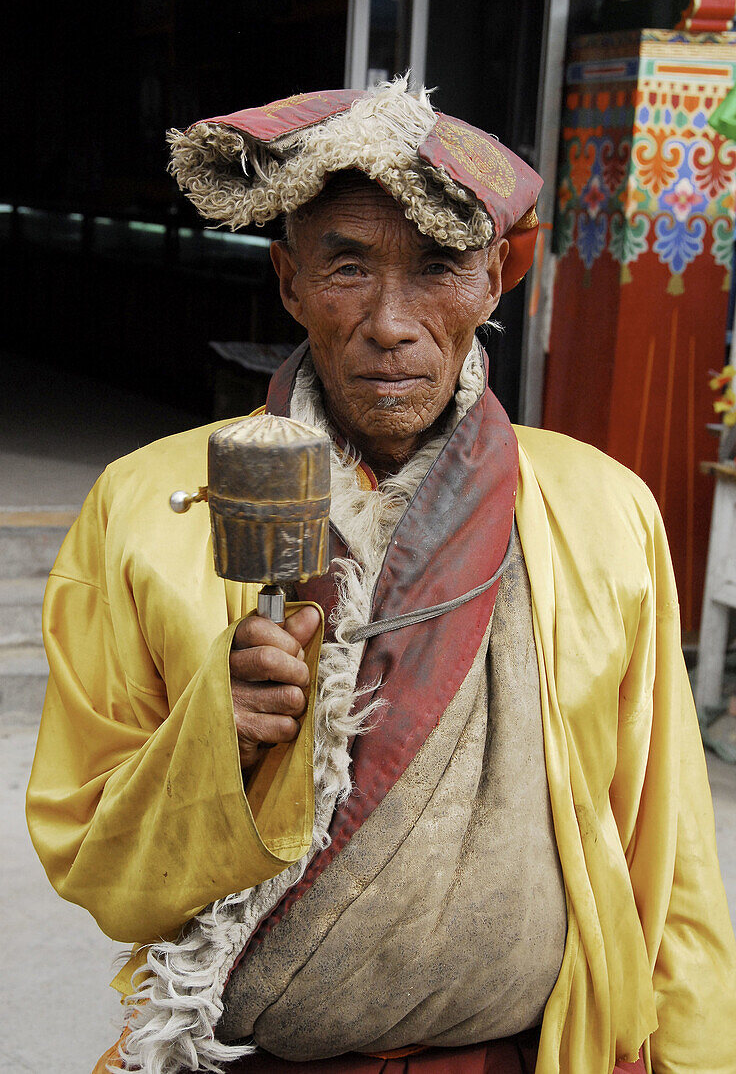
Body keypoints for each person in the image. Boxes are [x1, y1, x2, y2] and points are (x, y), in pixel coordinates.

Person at [27, 79, 736, 1074]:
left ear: (492, 282)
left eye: (438, 266)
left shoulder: (601, 507)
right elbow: (92, 857)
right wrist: (213, 732)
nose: (391, 322)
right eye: (348, 266)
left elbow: (673, 857)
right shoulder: (148, 504)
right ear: (287, 280)